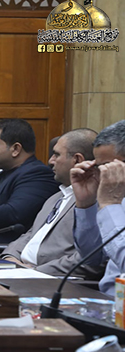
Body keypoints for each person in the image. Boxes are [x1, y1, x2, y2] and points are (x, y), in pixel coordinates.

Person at [2, 129, 104, 280]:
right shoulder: (56, 197)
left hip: (52, 280)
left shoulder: (95, 202)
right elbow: (31, 234)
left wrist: (35, 271)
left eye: (56, 154)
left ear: (77, 159)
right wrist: (11, 258)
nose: (50, 161)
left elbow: (89, 260)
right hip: (19, 272)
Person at [72, 120, 125, 296]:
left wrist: (110, 205)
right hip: (107, 300)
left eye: (107, 166)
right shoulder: (119, 196)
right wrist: (86, 203)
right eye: (97, 166)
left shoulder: (113, 198)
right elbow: (93, 258)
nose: (101, 174)